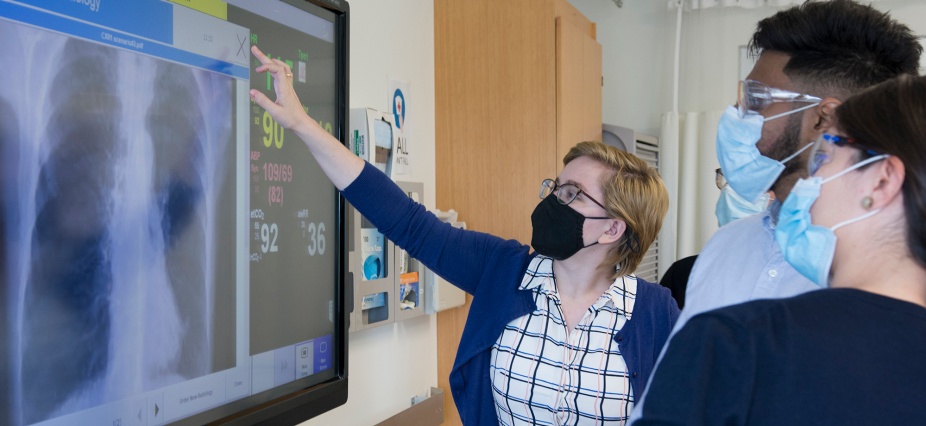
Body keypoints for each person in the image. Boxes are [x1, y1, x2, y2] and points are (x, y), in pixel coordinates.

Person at [247, 46, 680, 425]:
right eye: (555, 186)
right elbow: (406, 221)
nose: (552, 199)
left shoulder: (656, 316)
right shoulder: (503, 270)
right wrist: (302, 124)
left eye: (572, 194)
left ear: (612, 227)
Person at [630, 0, 922, 419]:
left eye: (756, 99)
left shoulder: (886, 281)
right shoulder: (726, 245)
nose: (737, 115)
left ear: (824, 119)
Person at [659, 169, 772, 308]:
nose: (731, 190)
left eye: (751, 182)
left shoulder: (798, 280)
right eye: (728, 177)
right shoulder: (684, 274)